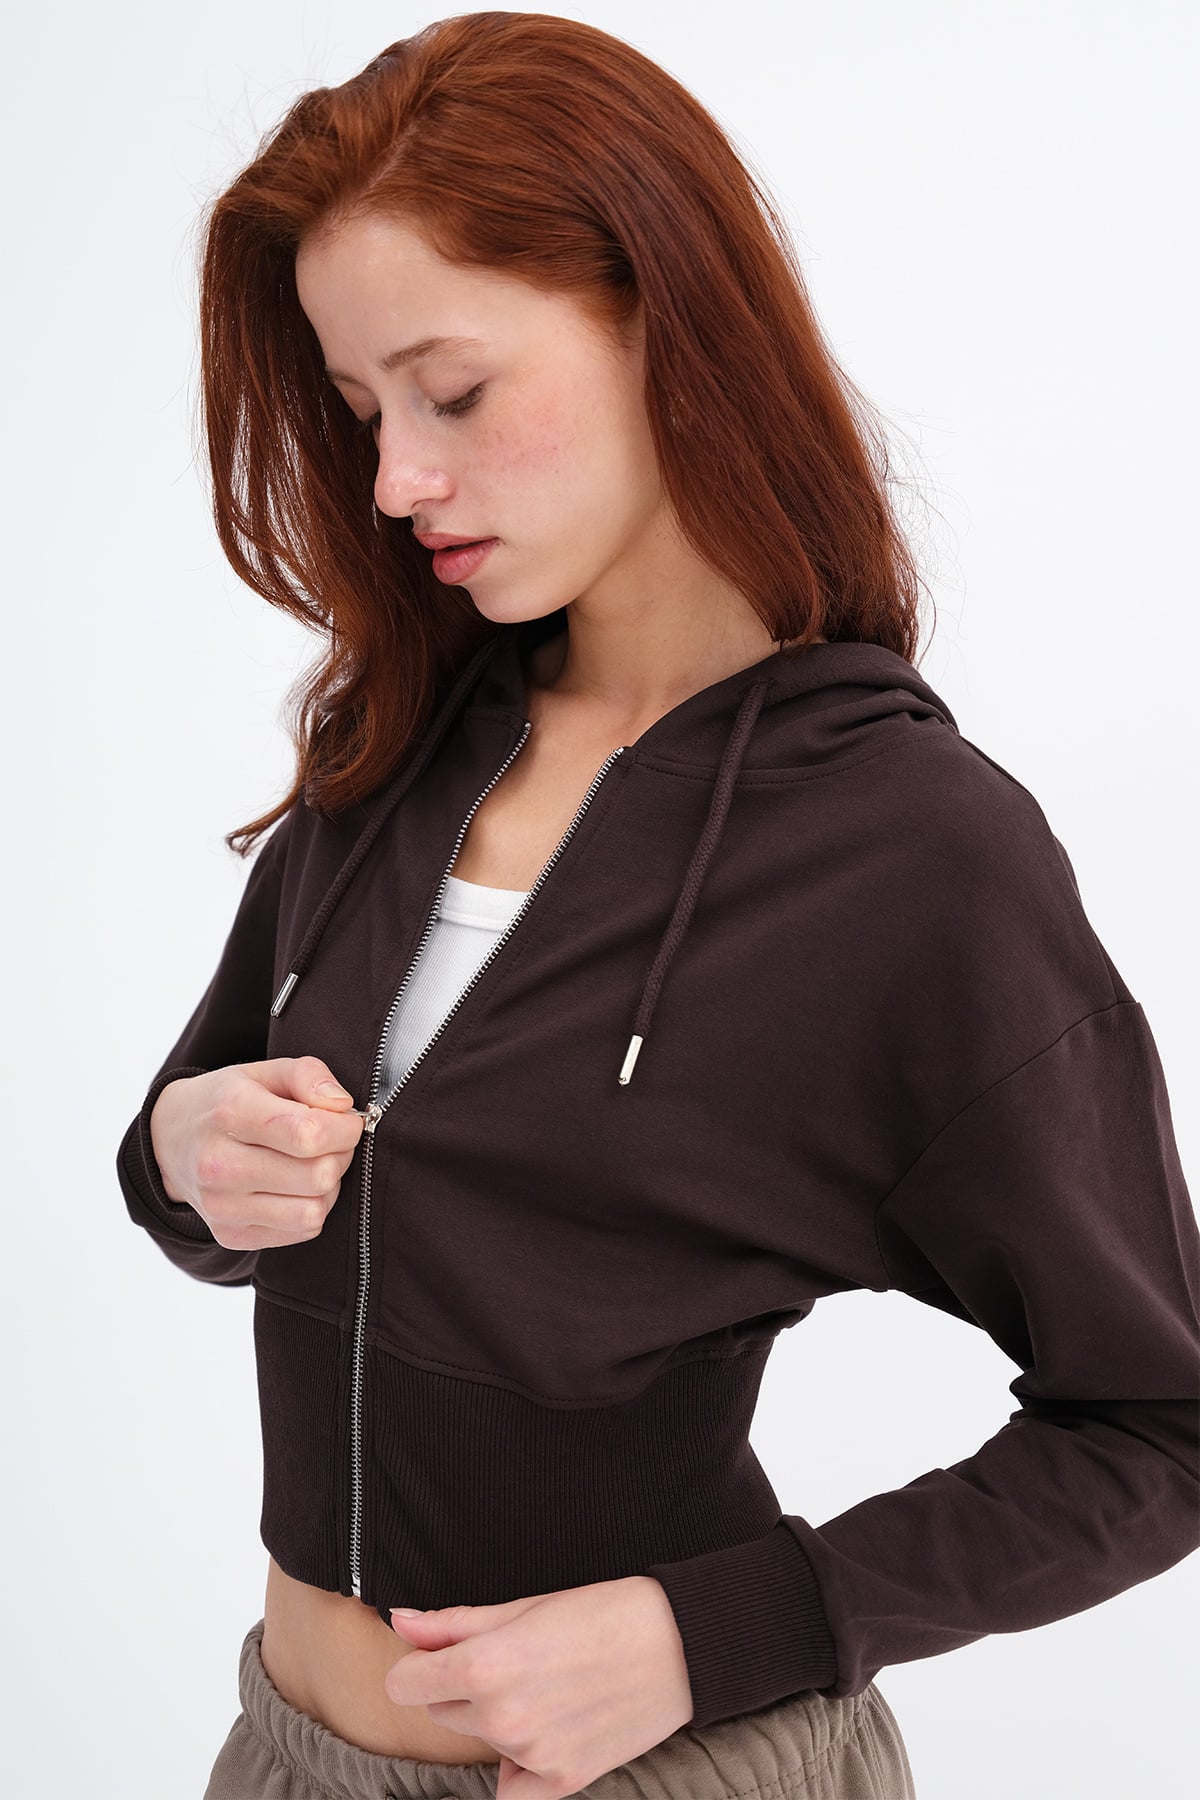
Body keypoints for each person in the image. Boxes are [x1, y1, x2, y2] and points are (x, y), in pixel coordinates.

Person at [116, 13, 1200, 1800]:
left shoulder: (911, 848)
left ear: (666, 324)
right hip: (282, 1753)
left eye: (455, 393)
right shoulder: (398, 740)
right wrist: (182, 1154)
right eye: (365, 411)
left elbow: (1157, 1420)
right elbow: (196, 1164)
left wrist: (722, 1631)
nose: (396, 481)